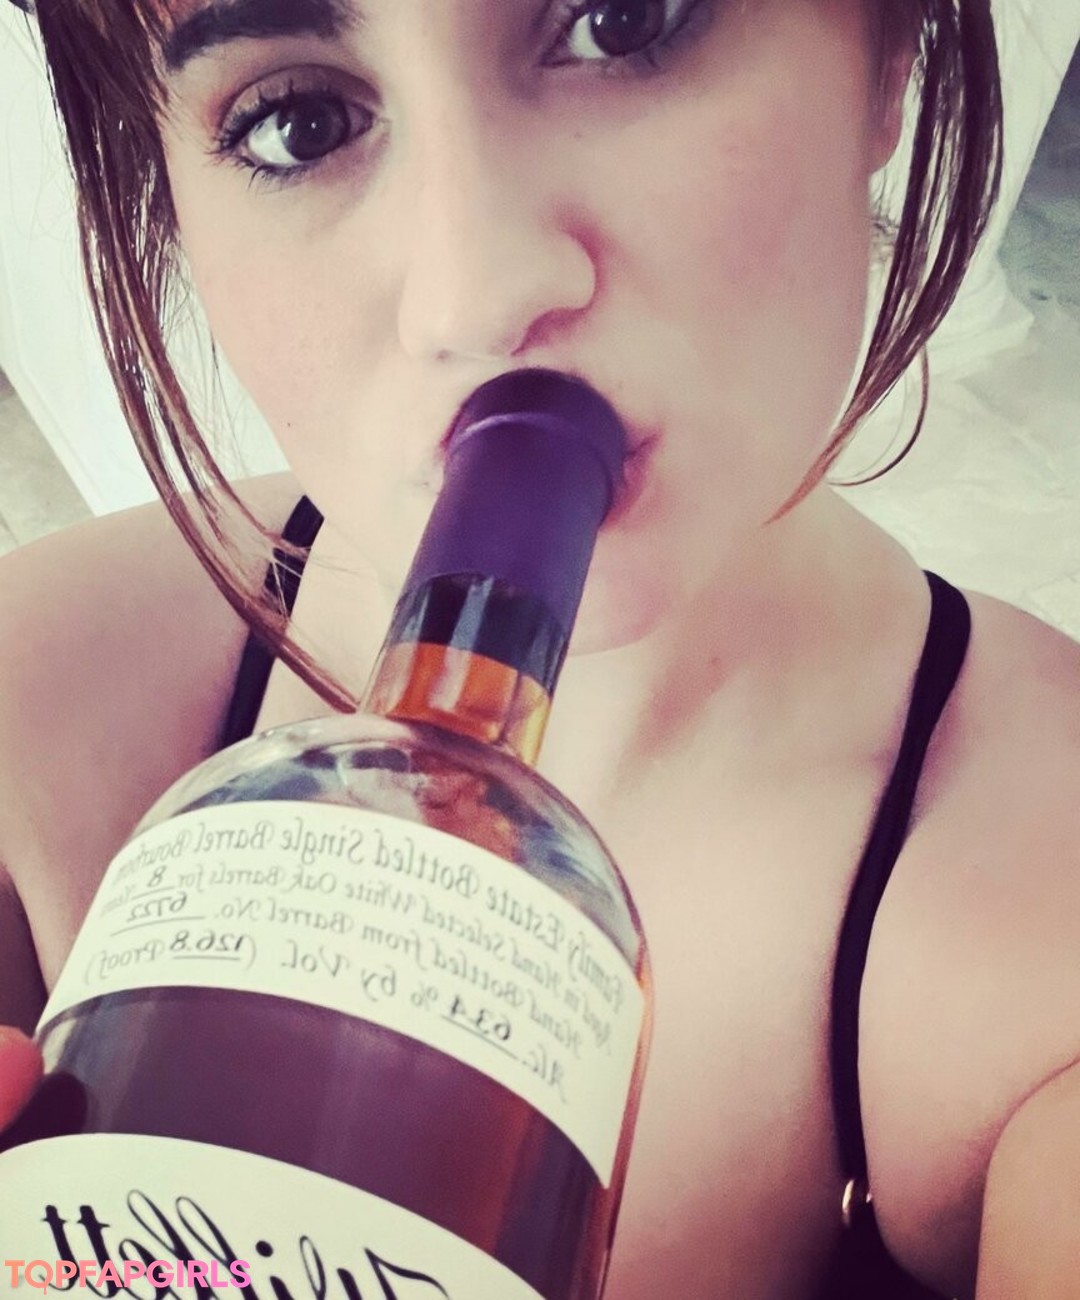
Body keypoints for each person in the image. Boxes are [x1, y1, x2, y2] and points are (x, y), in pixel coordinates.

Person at [0, 0, 1078, 1295]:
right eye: (301, 123)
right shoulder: (32, 710)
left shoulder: (1040, 911)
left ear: (888, 53)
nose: (479, 292)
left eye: (623, 22)